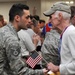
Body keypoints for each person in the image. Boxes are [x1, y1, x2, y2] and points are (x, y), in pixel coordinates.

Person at [0, 3, 47, 75]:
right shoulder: (11, 39)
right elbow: (19, 71)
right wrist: (41, 72)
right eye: (27, 17)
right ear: (17, 18)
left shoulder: (3, 31)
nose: (29, 21)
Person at [43, 2, 75, 75]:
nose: (49, 21)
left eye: (51, 17)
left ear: (60, 16)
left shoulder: (71, 32)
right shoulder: (66, 32)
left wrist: (58, 68)